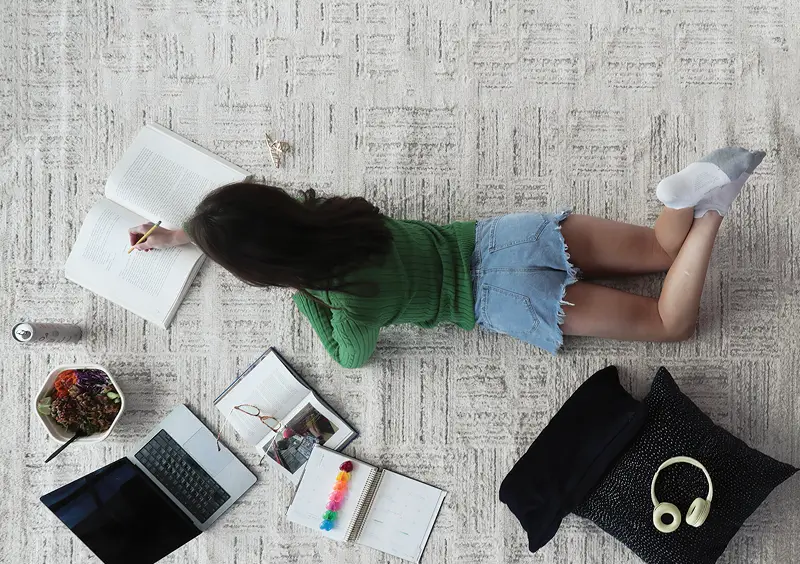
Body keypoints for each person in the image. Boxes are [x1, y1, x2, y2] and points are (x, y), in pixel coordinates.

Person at [129, 147, 765, 368]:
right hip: (504, 240)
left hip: (503, 302)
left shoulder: (346, 301)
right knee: (658, 247)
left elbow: (354, 358)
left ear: (267, 273)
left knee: (669, 323)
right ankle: (691, 193)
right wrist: (191, 232)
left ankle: (716, 210)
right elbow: (272, 220)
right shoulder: (348, 212)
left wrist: (303, 295)